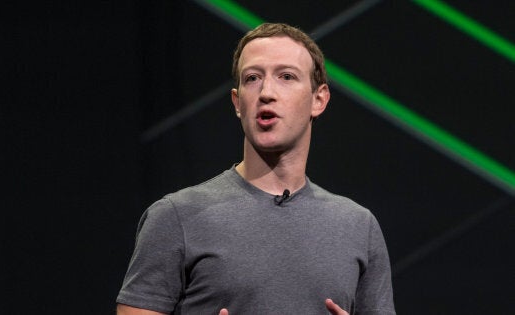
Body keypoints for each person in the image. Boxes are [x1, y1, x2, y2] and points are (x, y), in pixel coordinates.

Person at [116, 22, 395, 314]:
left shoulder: (358, 227)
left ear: (318, 99)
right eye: (252, 78)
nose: (266, 92)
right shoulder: (176, 217)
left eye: (286, 76)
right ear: (238, 103)